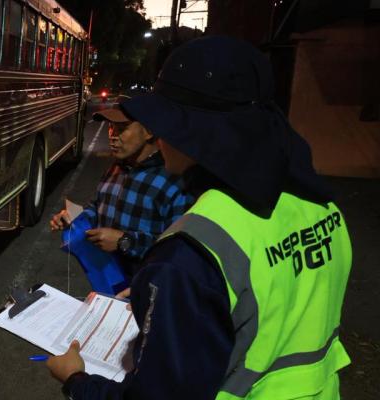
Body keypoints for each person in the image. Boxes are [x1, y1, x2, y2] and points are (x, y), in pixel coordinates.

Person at [46, 36, 352, 399]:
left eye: (166, 123)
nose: (162, 139)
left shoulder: (190, 253)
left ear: (195, 130)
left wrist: (77, 381)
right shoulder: (319, 206)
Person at [50, 95, 194, 277]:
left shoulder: (171, 183)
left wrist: (125, 241)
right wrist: (75, 218)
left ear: (149, 130)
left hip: (146, 287)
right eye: (111, 127)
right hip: (107, 279)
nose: (112, 136)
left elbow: (179, 249)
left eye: (122, 128)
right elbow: (97, 206)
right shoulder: (116, 169)